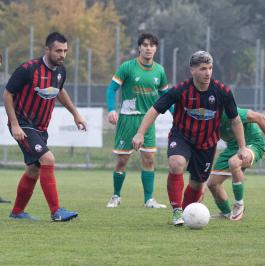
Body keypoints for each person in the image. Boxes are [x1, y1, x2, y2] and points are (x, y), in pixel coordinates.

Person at [132, 50, 249, 226]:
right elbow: (154, 110)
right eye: (203, 68)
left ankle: (187, 213)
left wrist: (242, 147)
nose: (207, 72)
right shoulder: (180, 90)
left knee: (197, 184)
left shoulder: (222, 91)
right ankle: (177, 211)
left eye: (210, 68)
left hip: (207, 144)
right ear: (192, 70)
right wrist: (140, 133)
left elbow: (235, 120)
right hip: (182, 137)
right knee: (176, 163)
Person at [3, 32, 87, 221]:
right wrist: (15, 124)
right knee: (48, 159)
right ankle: (56, 211)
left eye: (65, 51)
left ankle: (17, 212)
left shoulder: (60, 71)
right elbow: (7, 94)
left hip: (41, 128)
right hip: (23, 125)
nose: (62, 55)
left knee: (34, 169)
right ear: (47, 49)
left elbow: (60, 91)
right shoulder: (28, 69)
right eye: (58, 50)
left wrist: (75, 114)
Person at [106, 33, 168, 209]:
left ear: (156, 48)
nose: (149, 48)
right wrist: (111, 109)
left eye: (152, 45)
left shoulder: (160, 71)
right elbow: (112, 89)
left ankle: (149, 199)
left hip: (148, 121)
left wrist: (176, 112)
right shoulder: (127, 67)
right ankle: (116, 196)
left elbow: (165, 96)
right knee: (122, 161)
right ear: (139, 47)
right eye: (145, 45)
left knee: (149, 159)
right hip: (127, 118)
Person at [207, 107, 265, 220]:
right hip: (232, 148)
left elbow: (261, 118)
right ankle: (226, 214)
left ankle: (239, 206)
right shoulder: (205, 117)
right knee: (212, 184)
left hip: (253, 144)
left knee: (234, 162)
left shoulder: (232, 112)